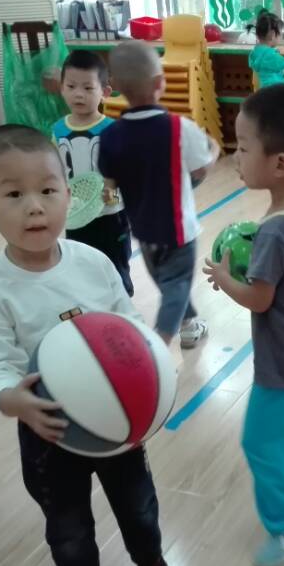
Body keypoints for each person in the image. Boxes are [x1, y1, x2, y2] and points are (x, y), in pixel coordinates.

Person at [0, 124, 169, 566]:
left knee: (139, 508)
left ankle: (152, 564)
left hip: (116, 422)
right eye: (14, 194)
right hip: (49, 432)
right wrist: (12, 399)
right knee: (70, 532)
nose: (34, 206)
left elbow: (129, 326)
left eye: (48, 190)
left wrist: (152, 376)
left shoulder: (93, 262)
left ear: (68, 193)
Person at [203, 84, 284, 566]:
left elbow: (259, 299)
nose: (235, 156)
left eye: (242, 147)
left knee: (263, 444)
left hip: (281, 365)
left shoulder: (275, 232)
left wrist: (224, 279)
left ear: (280, 163)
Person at [100, 41, 219, 348]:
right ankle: (157, 345)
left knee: (169, 283)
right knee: (177, 284)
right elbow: (200, 170)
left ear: (116, 86)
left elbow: (109, 183)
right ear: (159, 83)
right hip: (178, 232)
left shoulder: (110, 135)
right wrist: (215, 151)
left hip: (143, 232)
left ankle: (189, 325)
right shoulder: (180, 127)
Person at [53, 49, 134, 296]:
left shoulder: (113, 130)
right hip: (76, 217)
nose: (79, 94)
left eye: (88, 88)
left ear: (105, 92)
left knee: (116, 270)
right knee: (80, 269)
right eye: (71, 86)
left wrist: (114, 192)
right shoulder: (57, 130)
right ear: (62, 88)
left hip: (111, 216)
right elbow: (54, 171)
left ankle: (121, 309)